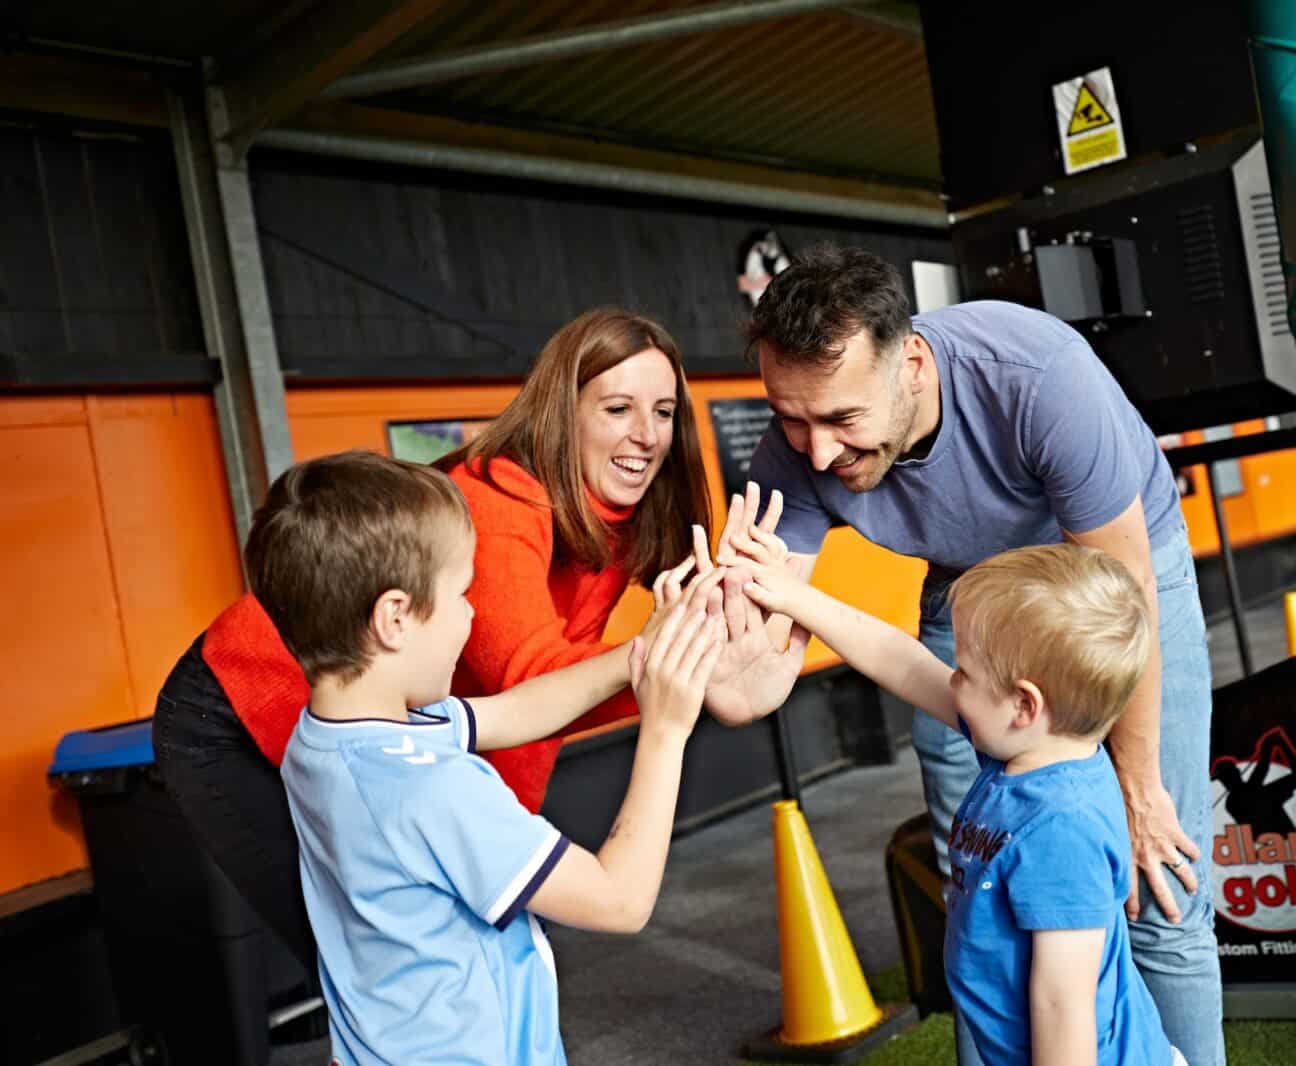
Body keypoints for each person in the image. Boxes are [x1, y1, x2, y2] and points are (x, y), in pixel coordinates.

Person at [153, 307, 799, 976]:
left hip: (407, 723)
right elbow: (532, 679)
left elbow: (525, 707)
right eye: (617, 408)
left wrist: (701, 652)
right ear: (561, 411)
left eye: (664, 412)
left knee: (449, 944)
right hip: (237, 705)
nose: (646, 435)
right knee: (366, 954)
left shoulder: (619, 514)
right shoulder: (497, 504)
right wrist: (679, 677)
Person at [739, 245, 1222, 1065]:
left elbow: (1125, 586)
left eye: (842, 421)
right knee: (982, 893)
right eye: (791, 418)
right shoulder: (798, 447)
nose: (814, 453)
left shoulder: (1037, 375)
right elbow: (773, 672)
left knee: (1160, 881)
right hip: (969, 589)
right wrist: (714, 638)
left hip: (1112, 576)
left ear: (913, 366)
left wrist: (1136, 790)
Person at [245, 449, 725, 1064]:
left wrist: (643, 653)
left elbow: (514, 712)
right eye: (461, 592)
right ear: (394, 617)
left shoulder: (331, 737)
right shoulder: (431, 789)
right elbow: (619, 900)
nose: (472, 613)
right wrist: (666, 729)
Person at [732, 537, 1180, 1065]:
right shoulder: (1028, 750)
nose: (951, 680)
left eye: (964, 672)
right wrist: (794, 596)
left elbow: (1064, 1006)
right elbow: (899, 660)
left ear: (1024, 704)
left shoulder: (1061, 828)